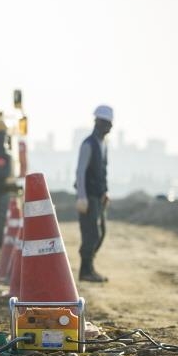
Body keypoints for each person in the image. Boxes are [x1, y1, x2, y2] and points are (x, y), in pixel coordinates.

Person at [75, 105, 113, 282]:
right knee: (91, 234)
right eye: (105, 123)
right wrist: (81, 197)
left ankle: (89, 266)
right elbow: (80, 171)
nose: (108, 127)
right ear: (97, 122)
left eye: (109, 123)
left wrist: (104, 192)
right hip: (88, 197)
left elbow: (102, 171)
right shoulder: (88, 144)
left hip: (98, 196)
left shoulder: (103, 145)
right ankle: (86, 271)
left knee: (100, 232)